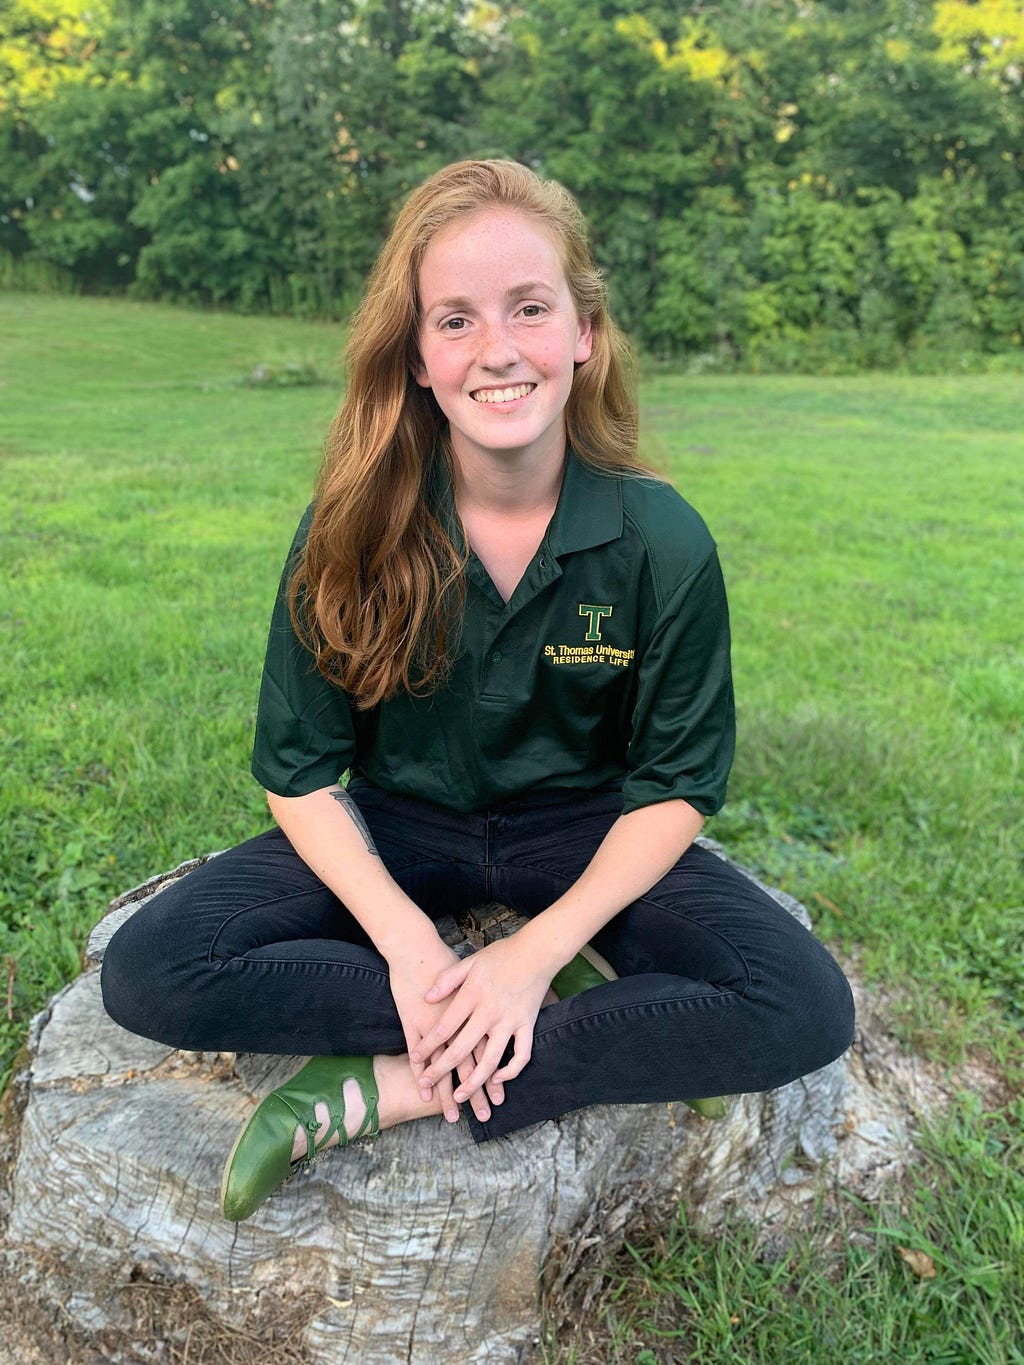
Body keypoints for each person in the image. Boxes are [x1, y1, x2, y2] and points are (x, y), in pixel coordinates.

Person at [100, 159, 855, 1223]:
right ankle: (580, 1024)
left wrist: (532, 954)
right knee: (150, 973)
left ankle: (395, 1082)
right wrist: (415, 949)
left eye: (529, 309)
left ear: (584, 331)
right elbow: (305, 774)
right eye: (453, 320)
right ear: (413, 353)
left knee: (802, 1006)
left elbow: (677, 785)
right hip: (397, 829)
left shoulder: (659, 539)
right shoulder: (352, 527)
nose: (496, 350)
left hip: (581, 835)